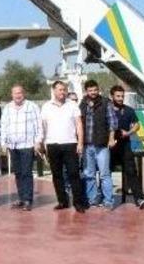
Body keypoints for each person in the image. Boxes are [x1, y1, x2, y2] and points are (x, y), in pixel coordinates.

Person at [42, 81, 87, 213]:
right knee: (57, 175)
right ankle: (62, 201)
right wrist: (42, 143)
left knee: (74, 174)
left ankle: (78, 203)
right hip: (52, 144)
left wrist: (80, 143)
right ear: (54, 91)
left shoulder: (72, 105)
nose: (63, 92)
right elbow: (42, 127)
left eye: (64, 90)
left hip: (70, 144)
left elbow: (79, 124)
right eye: (60, 90)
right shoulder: (46, 107)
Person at [0, 85, 42, 211]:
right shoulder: (7, 108)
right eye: (15, 93)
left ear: (24, 94)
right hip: (13, 146)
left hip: (27, 145)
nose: (18, 95)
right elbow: (4, 126)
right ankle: (21, 198)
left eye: (20, 93)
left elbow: (38, 125)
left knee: (26, 173)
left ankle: (28, 199)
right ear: (11, 95)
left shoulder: (32, 106)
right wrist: (3, 142)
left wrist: (38, 141)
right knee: (18, 173)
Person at [80, 80, 118, 209]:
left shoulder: (106, 103)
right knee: (89, 174)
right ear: (86, 91)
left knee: (104, 174)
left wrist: (111, 138)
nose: (93, 92)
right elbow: (78, 123)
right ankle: (92, 198)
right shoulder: (82, 104)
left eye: (95, 90)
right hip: (87, 145)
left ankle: (108, 200)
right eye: (90, 90)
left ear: (98, 89)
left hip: (101, 145)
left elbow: (112, 122)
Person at [109, 85, 144, 209]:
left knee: (131, 171)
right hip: (109, 146)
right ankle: (105, 198)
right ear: (112, 96)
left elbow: (137, 125)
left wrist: (128, 133)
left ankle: (139, 199)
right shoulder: (107, 110)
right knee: (105, 173)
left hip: (125, 145)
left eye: (122, 96)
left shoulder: (129, 110)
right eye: (118, 96)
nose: (120, 99)